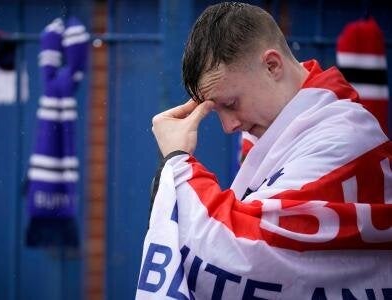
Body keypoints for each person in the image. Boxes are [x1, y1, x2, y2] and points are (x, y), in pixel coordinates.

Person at [137, 2, 392, 299]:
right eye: (217, 110)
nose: (228, 127)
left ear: (272, 65)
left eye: (230, 104)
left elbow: (244, 256)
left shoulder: (343, 137)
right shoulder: (281, 130)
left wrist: (177, 163)